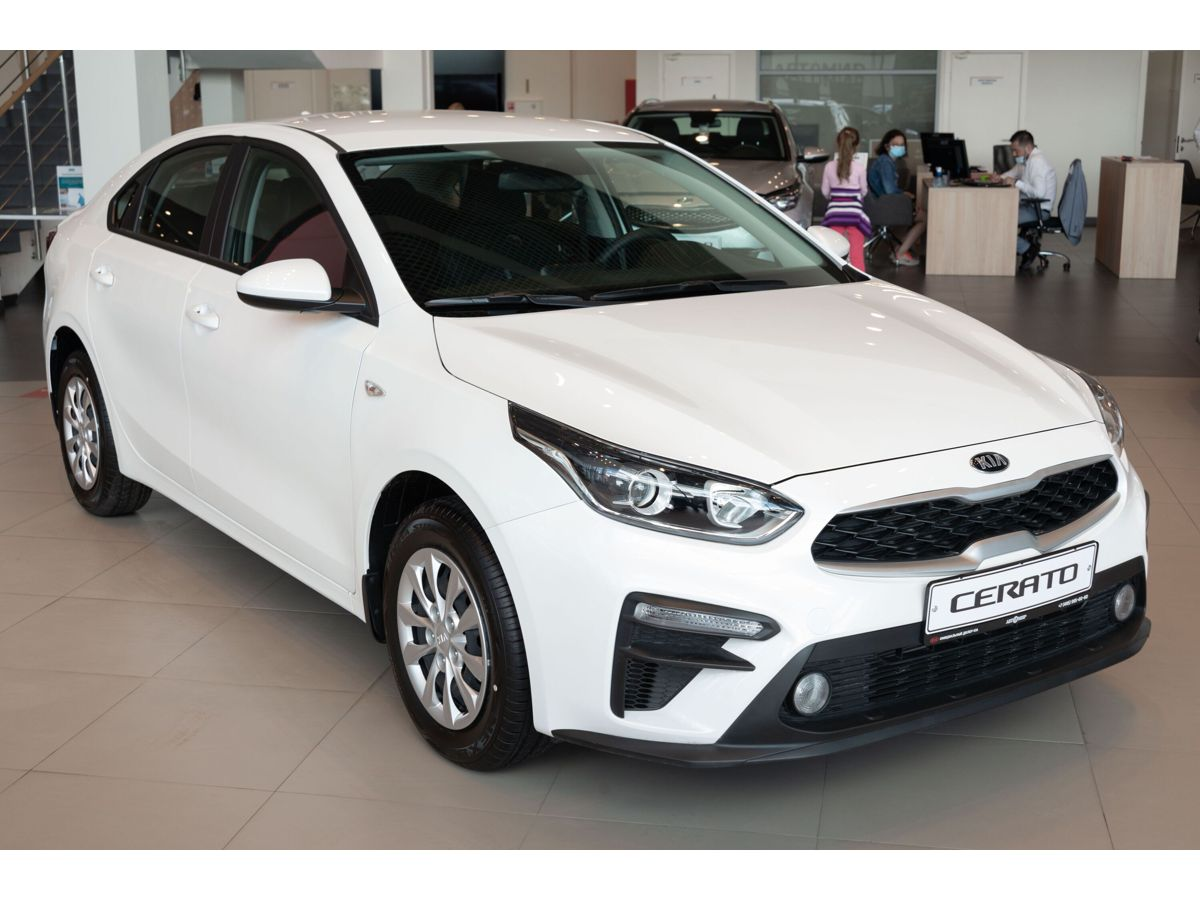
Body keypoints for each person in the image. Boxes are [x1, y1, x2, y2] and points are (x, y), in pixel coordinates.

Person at [995, 129, 1057, 261]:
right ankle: (1024, 247)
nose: (1013, 154)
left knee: (1000, 222)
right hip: (1029, 206)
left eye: (1016, 150)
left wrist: (1016, 183)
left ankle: (1028, 249)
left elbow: (1039, 193)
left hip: (1039, 211)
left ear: (1027, 148)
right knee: (998, 216)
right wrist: (999, 178)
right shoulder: (1026, 160)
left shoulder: (1037, 162)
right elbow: (1012, 173)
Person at [867, 129, 924, 267]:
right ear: (887, 146)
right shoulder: (885, 163)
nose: (899, 147)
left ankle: (898, 250)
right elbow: (890, 191)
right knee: (924, 218)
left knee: (916, 214)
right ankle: (900, 253)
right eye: (895, 144)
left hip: (879, 206)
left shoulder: (886, 161)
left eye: (902, 144)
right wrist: (906, 195)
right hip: (883, 208)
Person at [820, 126, 871, 270]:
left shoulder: (829, 166)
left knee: (834, 254)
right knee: (856, 254)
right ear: (857, 146)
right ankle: (860, 281)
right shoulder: (860, 167)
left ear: (838, 144)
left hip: (834, 215)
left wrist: (835, 198)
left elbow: (825, 191)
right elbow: (864, 191)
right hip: (855, 216)